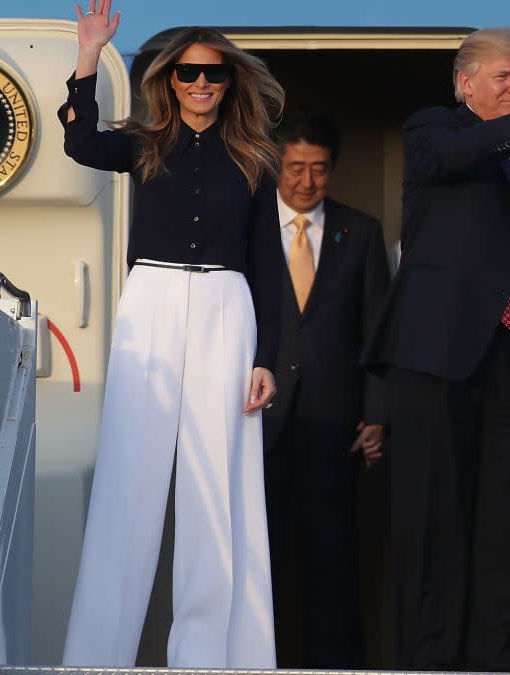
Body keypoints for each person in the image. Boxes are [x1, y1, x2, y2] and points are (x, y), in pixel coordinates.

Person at [57, 2, 285, 667]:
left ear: (229, 82)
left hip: (226, 304)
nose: (201, 84)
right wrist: (87, 56)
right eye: (188, 73)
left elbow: (268, 264)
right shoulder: (144, 143)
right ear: (171, 80)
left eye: (213, 74)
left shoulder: (253, 159)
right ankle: (96, 654)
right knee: (128, 475)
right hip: (151, 301)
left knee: (219, 484)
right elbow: (80, 142)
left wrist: (267, 358)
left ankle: (212, 656)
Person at [361, 27, 510, 672]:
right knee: (434, 520)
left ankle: (500, 663)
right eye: (505, 76)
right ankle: (429, 663)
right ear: (466, 83)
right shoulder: (433, 132)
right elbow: (452, 160)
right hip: (438, 360)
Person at [259, 109, 390, 668]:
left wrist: (376, 414)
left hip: (336, 431)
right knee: (261, 562)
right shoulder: (247, 231)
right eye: (295, 169)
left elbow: (378, 334)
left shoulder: (359, 232)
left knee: (332, 564)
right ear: (276, 167)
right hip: (257, 425)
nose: (307, 182)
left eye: (319, 169)